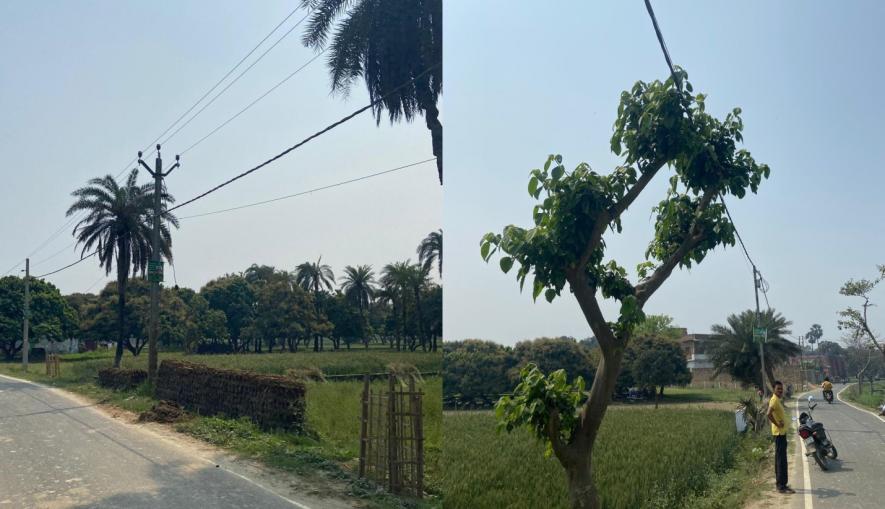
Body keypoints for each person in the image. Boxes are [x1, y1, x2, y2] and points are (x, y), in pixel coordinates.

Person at [767, 381, 794, 494]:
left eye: (781, 389)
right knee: (781, 460)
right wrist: (778, 424)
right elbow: (768, 414)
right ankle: (781, 486)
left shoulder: (777, 399)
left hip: (781, 433)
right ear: (774, 389)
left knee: (780, 459)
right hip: (778, 433)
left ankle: (781, 483)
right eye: (778, 389)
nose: (780, 390)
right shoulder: (774, 400)